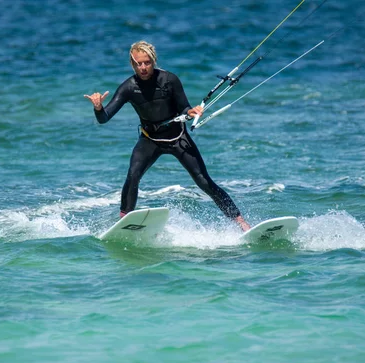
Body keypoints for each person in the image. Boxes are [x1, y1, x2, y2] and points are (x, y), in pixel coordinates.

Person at [84, 40, 250, 231]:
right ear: (133, 64)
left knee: (203, 180)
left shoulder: (169, 80)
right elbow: (104, 118)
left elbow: (184, 107)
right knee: (133, 175)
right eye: (139, 63)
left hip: (177, 137)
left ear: (153, 61)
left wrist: (191, 112)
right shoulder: (128, 87)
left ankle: (240, 222)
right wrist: (98, 107)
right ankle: (124, 222)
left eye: (147, 62)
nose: (143, 67)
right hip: (150, 139)